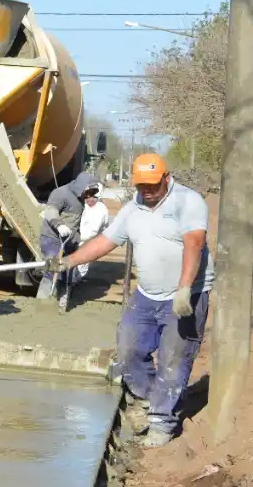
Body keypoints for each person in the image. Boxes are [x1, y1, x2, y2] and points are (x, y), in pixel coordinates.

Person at [51, 154, 214, 448]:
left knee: (173, 359)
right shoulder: (133, 208)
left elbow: (195, 243)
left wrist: (184, 288)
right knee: (128, 349)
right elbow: (106, 242)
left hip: (185, 294)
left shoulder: (187, 202)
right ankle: (147, 399)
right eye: (141, 185)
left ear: (167, 177)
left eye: (152, 184)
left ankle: (163, 423)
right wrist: (68, 261)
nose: (147, 191)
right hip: (147, 294)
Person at [37, 170, 99, 311]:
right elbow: (50, 211)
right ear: (81, 187)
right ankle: (42, 306)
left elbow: (75, 222)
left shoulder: (80, 198)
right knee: (52, 269)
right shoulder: (60, 193)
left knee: (67, 273)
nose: (88, 196)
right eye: (87, 192)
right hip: (52, 238)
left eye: (92, 193)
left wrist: (76, 240)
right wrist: (59, 225)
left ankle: (62, 305)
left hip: (69, 242)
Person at [74, 184, 110, 283]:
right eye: (88, 196)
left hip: (89, 242)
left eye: (94, 197)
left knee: (82, 264)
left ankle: (74, 283)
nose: (90, 199)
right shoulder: (82, 206)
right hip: (77, 239)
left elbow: (99, 229)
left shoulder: (102, 210)